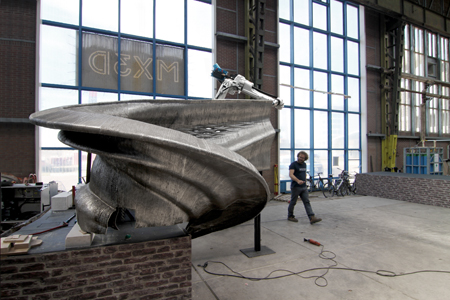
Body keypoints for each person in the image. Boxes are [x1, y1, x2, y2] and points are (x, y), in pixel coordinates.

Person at [287, 151, 322, 224]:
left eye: (302, 158)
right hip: (296, 187)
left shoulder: (304, 165)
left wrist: (305, 181)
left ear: (305, 159)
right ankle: (290, 216)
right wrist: (298, 180)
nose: (300, 158)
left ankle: (312, 217)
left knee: (307, 202)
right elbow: (291, 174)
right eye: (300, 157)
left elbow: (304, 174)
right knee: (293, 202)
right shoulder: (293, 165)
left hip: (303, 187)